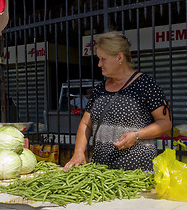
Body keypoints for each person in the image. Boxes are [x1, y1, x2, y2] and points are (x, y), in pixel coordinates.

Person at [64, 31, 172, 172]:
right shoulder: (99, 89)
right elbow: (86, 123)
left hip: (137, 172)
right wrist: (78, 152)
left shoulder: (146, 85)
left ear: (119, 57)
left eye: (103, 59)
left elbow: (165, 123)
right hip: (101, 172)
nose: (99, 64)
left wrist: (137, 135)